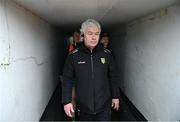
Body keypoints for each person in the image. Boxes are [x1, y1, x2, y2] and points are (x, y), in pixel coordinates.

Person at [62, 19, 120, 121]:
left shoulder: (107, 54)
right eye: (90, 33)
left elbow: (113, 76)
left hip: (104, 106)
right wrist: (67, 101)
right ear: (83, 34)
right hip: (83, 107)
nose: (94, 37)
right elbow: (67, 79)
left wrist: (116, 96)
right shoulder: (74, 56)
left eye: (97, 34)